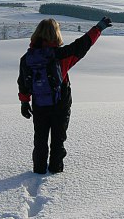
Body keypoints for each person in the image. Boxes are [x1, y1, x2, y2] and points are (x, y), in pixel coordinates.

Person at [17, 17, 112, 174]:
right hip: (60, 104)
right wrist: (98, 28)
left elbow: (23, 82)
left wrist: (24, 102)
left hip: (39, 104)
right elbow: (83, 44)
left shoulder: (27, 59)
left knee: (40, 139)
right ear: (56, 34)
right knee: (58, 139)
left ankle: (39, 170)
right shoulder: (62, 55)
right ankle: (55, 169)